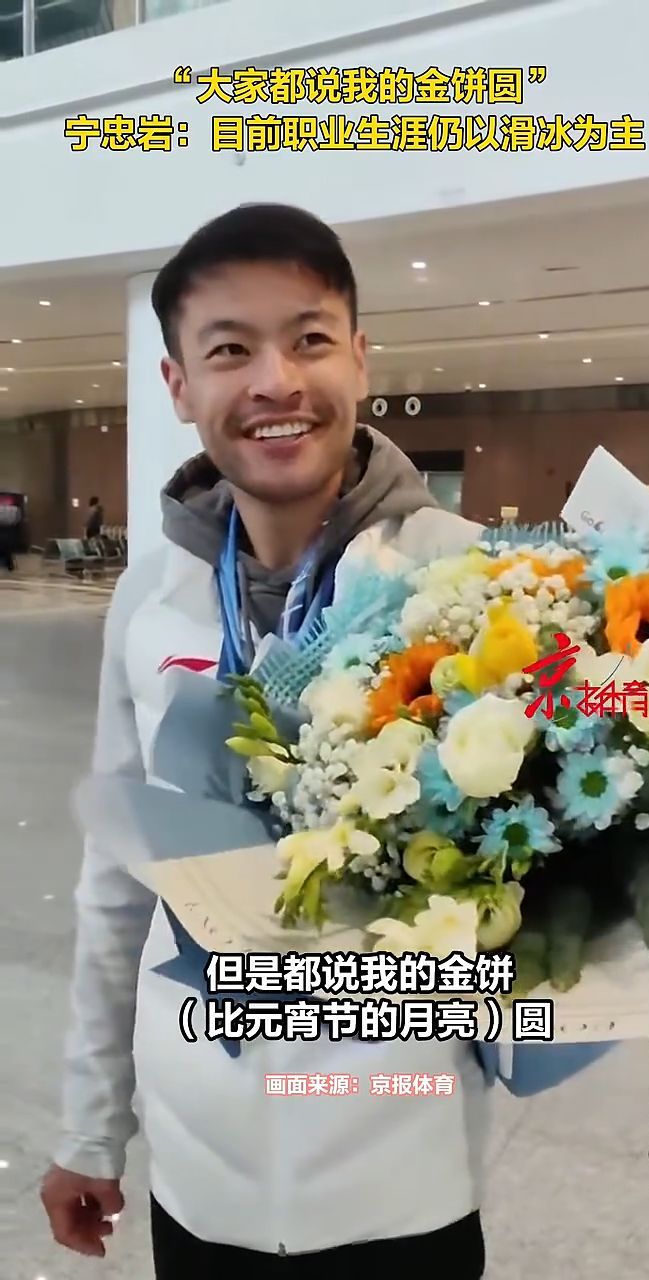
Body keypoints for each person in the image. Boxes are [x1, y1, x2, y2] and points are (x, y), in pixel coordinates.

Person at [41, 203, 609, 1278]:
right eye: (229, 350)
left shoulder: (480, 585)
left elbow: (576, 866)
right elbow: (117, 884)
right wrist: (89, 1127)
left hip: (400, 1173)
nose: (276, 381)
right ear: (178, 385)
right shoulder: (150, 599)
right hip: (199, 1171)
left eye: (308, 339)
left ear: (360, 356)